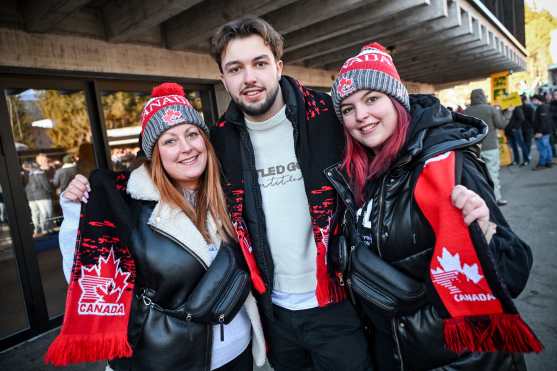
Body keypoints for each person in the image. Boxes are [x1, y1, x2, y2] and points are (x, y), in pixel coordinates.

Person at [328, 42, 540, 370]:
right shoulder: (361, 172)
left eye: (372, 99)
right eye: (347, 108)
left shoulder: (444, 162)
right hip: (399, 353)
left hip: (462, 358)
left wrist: (486, 235)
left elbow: (514, 272)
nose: (361, 116)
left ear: (396, 101)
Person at [47, 83, 266, 371]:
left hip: (238, 354)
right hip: (171, 361)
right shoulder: (127, 206)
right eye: (170, 141)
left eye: (192, 134)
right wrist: (77, 213)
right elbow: (90, 279)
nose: (186, 148)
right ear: (154, 153)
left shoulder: (229, 193)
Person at [209, 16, 372, 370]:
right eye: (235, 68)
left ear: (278, 66)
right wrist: (84, 192)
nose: (249, 78)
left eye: (260, 63)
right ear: (223, 79)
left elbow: (394, 128)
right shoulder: (219, 142)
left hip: (339, 302)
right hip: (275, 313)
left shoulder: (329, 117)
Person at [463, 89, 508, 205]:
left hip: (472, 148)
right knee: (492, 172)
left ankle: (480, 200)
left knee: (476, 175)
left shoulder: (465, 112)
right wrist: (507, 113)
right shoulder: (491, 109)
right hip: (490, 146)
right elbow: (501, 125)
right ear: (483, 97)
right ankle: (495, 198)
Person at [23, 161, 53, 236]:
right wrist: (51, 191)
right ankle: (45, 230)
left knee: (35, 214)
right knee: (46, 213)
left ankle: (37, 229)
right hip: (42, 196)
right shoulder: (39, 173)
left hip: (31, 197)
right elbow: (46, 186)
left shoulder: (28, 174)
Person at [532, 94, 553, 169]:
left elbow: (543, 121)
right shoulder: (544, 107)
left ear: (538, 100)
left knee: (542, 148)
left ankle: (542, 163)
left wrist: (539, 132)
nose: (533, 101)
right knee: (547, 147)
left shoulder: (542, 108)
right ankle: (548, 162)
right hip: (545, 131)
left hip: (542, 132)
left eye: (534, 100)